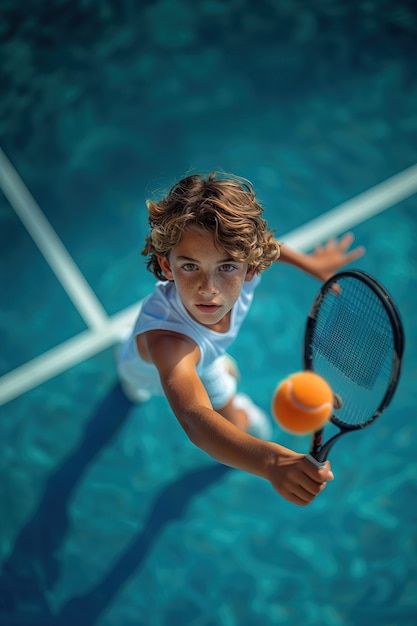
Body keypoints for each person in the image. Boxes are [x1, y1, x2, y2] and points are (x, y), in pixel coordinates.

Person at [116, 172, 365, 506]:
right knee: (144, 395)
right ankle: (138, 380)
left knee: (217, 381)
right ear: (166, 265)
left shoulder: (250, 266)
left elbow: (269, 248)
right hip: (148, 371)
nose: (209, 288)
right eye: (190, 267)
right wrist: (271, 462)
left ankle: (208, 362)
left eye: (226, 267)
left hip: (204, 357)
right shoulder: (170, 344)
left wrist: (310, 263)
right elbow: (195, 419)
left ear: (249, 268)